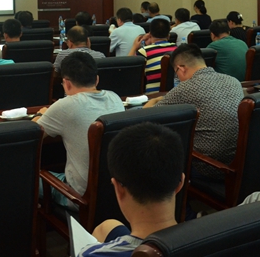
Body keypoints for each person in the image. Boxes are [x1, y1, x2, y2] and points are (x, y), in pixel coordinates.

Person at [79, 123, 185, 257]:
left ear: (118, 189)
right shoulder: (208, 240)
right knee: (108, 226)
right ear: (180, 183)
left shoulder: (91, 255)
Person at [34, 53, 124, 207]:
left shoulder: (65, 105)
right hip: (115, 193)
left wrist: (40, 114)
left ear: (66, 83)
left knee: (23, 176)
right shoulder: (115, 98)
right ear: (96, 80)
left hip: (78, 198)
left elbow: (32, 135)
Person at [145, 44, 243, 180]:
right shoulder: (234, 81)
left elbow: (147, 116)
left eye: (176, 73)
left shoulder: (185, 89)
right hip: (238, 163)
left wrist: (153, 100)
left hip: (207, 167)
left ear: (181, 69)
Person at [130, 18, 177, 93]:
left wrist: (134, 47)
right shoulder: (178, 49)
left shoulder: (144, 51)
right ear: (168, 35)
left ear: (150, 34)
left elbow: (129, 69)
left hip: (152, 95)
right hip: (175, 93)